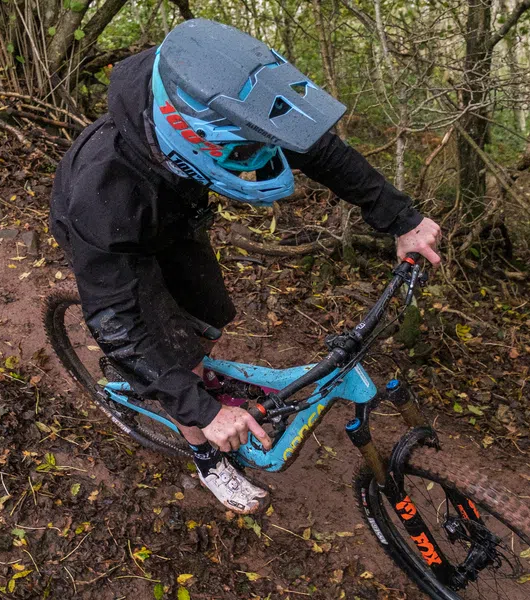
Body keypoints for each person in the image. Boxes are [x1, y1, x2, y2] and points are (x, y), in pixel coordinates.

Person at [49, 18, 441, 514]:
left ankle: (190, 377)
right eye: (244, 153)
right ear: (189, 138)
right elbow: (115, 320)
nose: (260, 158)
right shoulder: (103, 198)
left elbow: (314, 147)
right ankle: (204, 455)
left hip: (173, 215)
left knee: (210, 315)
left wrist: (401, 219)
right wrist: (201, 410)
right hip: (116, 234)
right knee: (175, 351)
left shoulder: (196, 87)